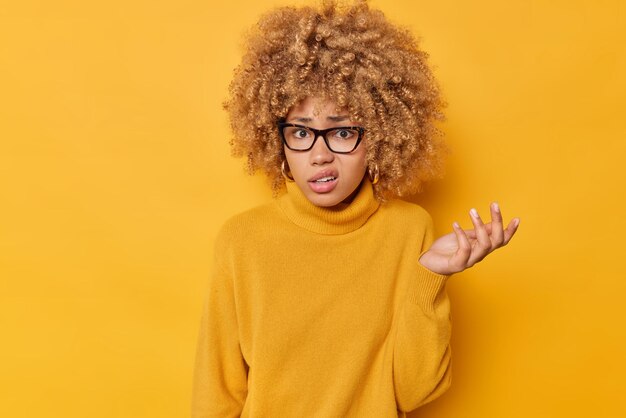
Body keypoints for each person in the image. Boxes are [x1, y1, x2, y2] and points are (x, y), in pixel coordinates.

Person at [191, 1, 520, 417]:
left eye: (343, 131)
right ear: (277, 138)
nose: (320, 154)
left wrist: (431, 276)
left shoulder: (408, 229)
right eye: (301, 132)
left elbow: (415, 392)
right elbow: (216, 392)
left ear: (380, 135)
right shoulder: (242, 240)